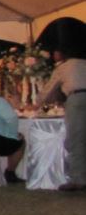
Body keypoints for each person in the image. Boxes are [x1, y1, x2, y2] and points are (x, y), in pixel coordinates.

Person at [36, 47, 86, 191]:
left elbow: (49, 89)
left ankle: (78, 179)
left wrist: (37, 103)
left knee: (76, 139)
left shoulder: (64, 67)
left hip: (77, 99)